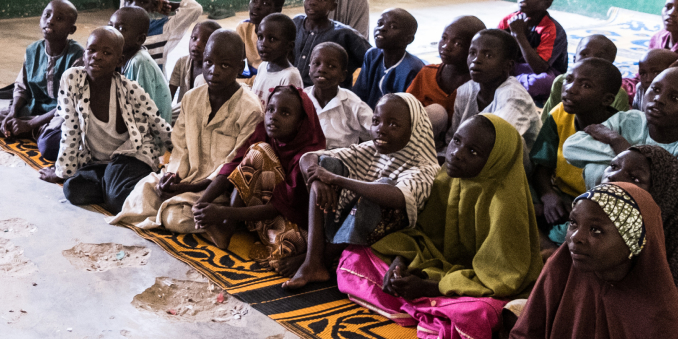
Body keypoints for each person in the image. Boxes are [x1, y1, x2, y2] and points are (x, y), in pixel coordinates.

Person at [401, 183, 678, 339]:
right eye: (574, 224)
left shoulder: (660, 313)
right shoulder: (563, 266)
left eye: (596, 230)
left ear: (633, 242)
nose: (576, 238)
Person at [337, 115, 543, 339]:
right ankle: (426, 312)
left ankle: (419, 306)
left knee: (479, 313)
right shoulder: (447, 177)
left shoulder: (506, 202)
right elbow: (422, 234)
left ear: (496, 161)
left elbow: (502, 279)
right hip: (440, 270)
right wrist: (399, 264)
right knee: (356, 256)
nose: (456, 153)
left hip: (480, 286)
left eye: (473, 152)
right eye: (456, 141)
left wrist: (430, 287)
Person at [284, 93, 439, 289]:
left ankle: (323, 257)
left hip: (394, 239)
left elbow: (399, 197)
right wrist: (318, 181)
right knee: (326, 165)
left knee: (379, 191)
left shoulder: (425, 168)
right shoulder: (371, 150)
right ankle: (313, 261)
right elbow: (309, 157)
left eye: (393, 124)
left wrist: (338, 180)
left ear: (415, 130)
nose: (380, 130)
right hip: (351, 228)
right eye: (376, 121)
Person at [111, 30, 262, 232]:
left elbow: (233, 165)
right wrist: (172, 177)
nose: (214, 71)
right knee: (142, 192)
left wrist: (188, 189)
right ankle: (172, 207)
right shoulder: (191, 98)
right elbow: (180, 146)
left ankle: (221, 222)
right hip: (185, 179)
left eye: (224, 65)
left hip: (217, 189)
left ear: (240, 67)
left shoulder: (250, 109)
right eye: (208, 62)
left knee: (175, 217)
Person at [191, 86, 327, 270]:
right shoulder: (266, 131)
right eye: (270, 109)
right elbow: (234, 165)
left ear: (300, 123)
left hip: (291, 218)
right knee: (257, 152)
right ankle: (227, 229)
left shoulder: (308, 156)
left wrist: (222, 212)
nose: (274, 116)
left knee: (291, 246)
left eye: (285, 113)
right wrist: (201, 203)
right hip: (266, 206)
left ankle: (258, 235)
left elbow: (279, 207)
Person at [41, 28, 172, 215]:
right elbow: (70, 129)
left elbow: (158, 124)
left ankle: (127, 184)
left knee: (116, 200)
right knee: (72, 189)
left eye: (106, 53)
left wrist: (179, 165)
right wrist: (62, 172)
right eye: (91, 50)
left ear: (119, 61)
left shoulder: (130, 90)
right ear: (84, 53)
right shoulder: (72, 80)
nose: (97, 57)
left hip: (130, 156)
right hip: (98, 162)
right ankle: (116, 184)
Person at [603, 146, 678, 339]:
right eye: (612, 166)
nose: (613, 177)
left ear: (661, 194)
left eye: (635, 179)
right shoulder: (594, 228)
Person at [564, 67, 678, 191]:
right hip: (611, 205)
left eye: (675, 98)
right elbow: (571, 148)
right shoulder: (629, 120)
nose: (658, 99)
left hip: (664, 216)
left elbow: (669, 186)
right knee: (596, 169)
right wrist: (638, 170)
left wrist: (618, 143)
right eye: (655, 89)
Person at [531, 58, 623, 248]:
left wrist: (579, 207)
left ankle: (549, 250)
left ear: (606, 99)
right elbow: (542, 167)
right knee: (515, 201)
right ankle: (550, 248)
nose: (570, 89)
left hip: (598, 205)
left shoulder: (621, 128)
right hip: (560, 194)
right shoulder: (559, 114)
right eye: (569, 79)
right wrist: (548, 195)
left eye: (586, 85)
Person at [0, 0, 81, 161]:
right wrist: (13, 113)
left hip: (59, 115)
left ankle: (34, 129)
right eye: (47, 15)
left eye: (59, 19)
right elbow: (21, 87)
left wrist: (30, 124)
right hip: (33, 109)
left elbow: (69, 104)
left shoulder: (77, 56)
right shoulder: (33, 50)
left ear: (71, 29)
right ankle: (33, 130)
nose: (50, 20)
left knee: (50, 145)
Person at [448, 29, 542, 150]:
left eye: (488, 55)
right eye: (472, 52)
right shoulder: (465, 91)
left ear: (507, 65)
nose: (476, 59)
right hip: (471, 156)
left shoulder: (514, 98)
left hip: (514, 163)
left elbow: (498, 144)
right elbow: (453, 137)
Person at [407, 16, 485, 142]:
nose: (446, 46)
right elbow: (408, 108)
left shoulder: (478, 85)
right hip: (418, 140)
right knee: (437, 113)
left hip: (458, 145)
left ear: (475, 50)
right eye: (444, 38)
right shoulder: (427, 73)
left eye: (457, 43)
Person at [497, 0, 568, 103]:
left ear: (547, 4)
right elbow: (495, 48)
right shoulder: (509, 20)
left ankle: (502, 83)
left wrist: (519, 34)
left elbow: (539, 68)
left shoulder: (551, 29)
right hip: (515, 66)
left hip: (546, 72)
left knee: (544, 82)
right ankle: (507, 82)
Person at [291, 0, 370, 88]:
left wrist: (358, 88)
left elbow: (373, 58)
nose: (312, 2)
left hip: (327, 96)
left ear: (333, 6)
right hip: (294, 91)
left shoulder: (343, 34)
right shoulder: (295, 23)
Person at [538, 34, 630, 124]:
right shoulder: (561, 82)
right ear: (574, 59)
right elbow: (546, 122)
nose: (589, 60)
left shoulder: (618, 94)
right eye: (584, 54)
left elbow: (620, 129)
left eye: (599, 58)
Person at [120, 0, 203, 74]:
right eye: (130, 1)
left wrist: (168, 5)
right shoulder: (119, 26)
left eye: (143, 1)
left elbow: (195, 8)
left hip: (151, 88)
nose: (135, 6)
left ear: (153, 5)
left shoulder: (164, 29)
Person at [304, 42, 373, 148]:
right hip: (303, 159)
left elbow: (375, 132)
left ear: (343, 75)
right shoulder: (300, 99)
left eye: (331, 66)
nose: (321, 69)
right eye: (316, 63)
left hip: (340, 160)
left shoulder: (353, 104)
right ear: (309, 69)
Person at [353, 8, 425, 110]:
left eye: (393, 27)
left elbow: (408, 109)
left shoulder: (414, 68)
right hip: (366, 116)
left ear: (408, 39)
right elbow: (359, 94)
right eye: (380, 23)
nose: (382, 28)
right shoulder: (372, 55)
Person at [110, 6, 173, 122]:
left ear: (140, 39)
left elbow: (142, 110)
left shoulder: (140, 62)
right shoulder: (124, 58)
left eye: (121, 28)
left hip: (152, 132)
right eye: (110, 26)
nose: (113, 32)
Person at [167, 20, 219, 121]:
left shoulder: (215, 72)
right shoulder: (182, 63)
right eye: (194, 38)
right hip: (181, 115)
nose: (197, 44)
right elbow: (169, 95)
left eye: (205, 41)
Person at [250, 13, 304, 101]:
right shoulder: (262, 66)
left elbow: (289, 111)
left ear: (289, 46)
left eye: (272, 39)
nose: (263, 43)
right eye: (260, 37)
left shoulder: (289, 76)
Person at [237, 0, 286, 73]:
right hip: (252, 79)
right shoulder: (244, 28)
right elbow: (237, 64)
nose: (256, 6)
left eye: (265, 3)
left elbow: (275, 74)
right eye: (254, 0)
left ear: (277, 10)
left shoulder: (282, 34)